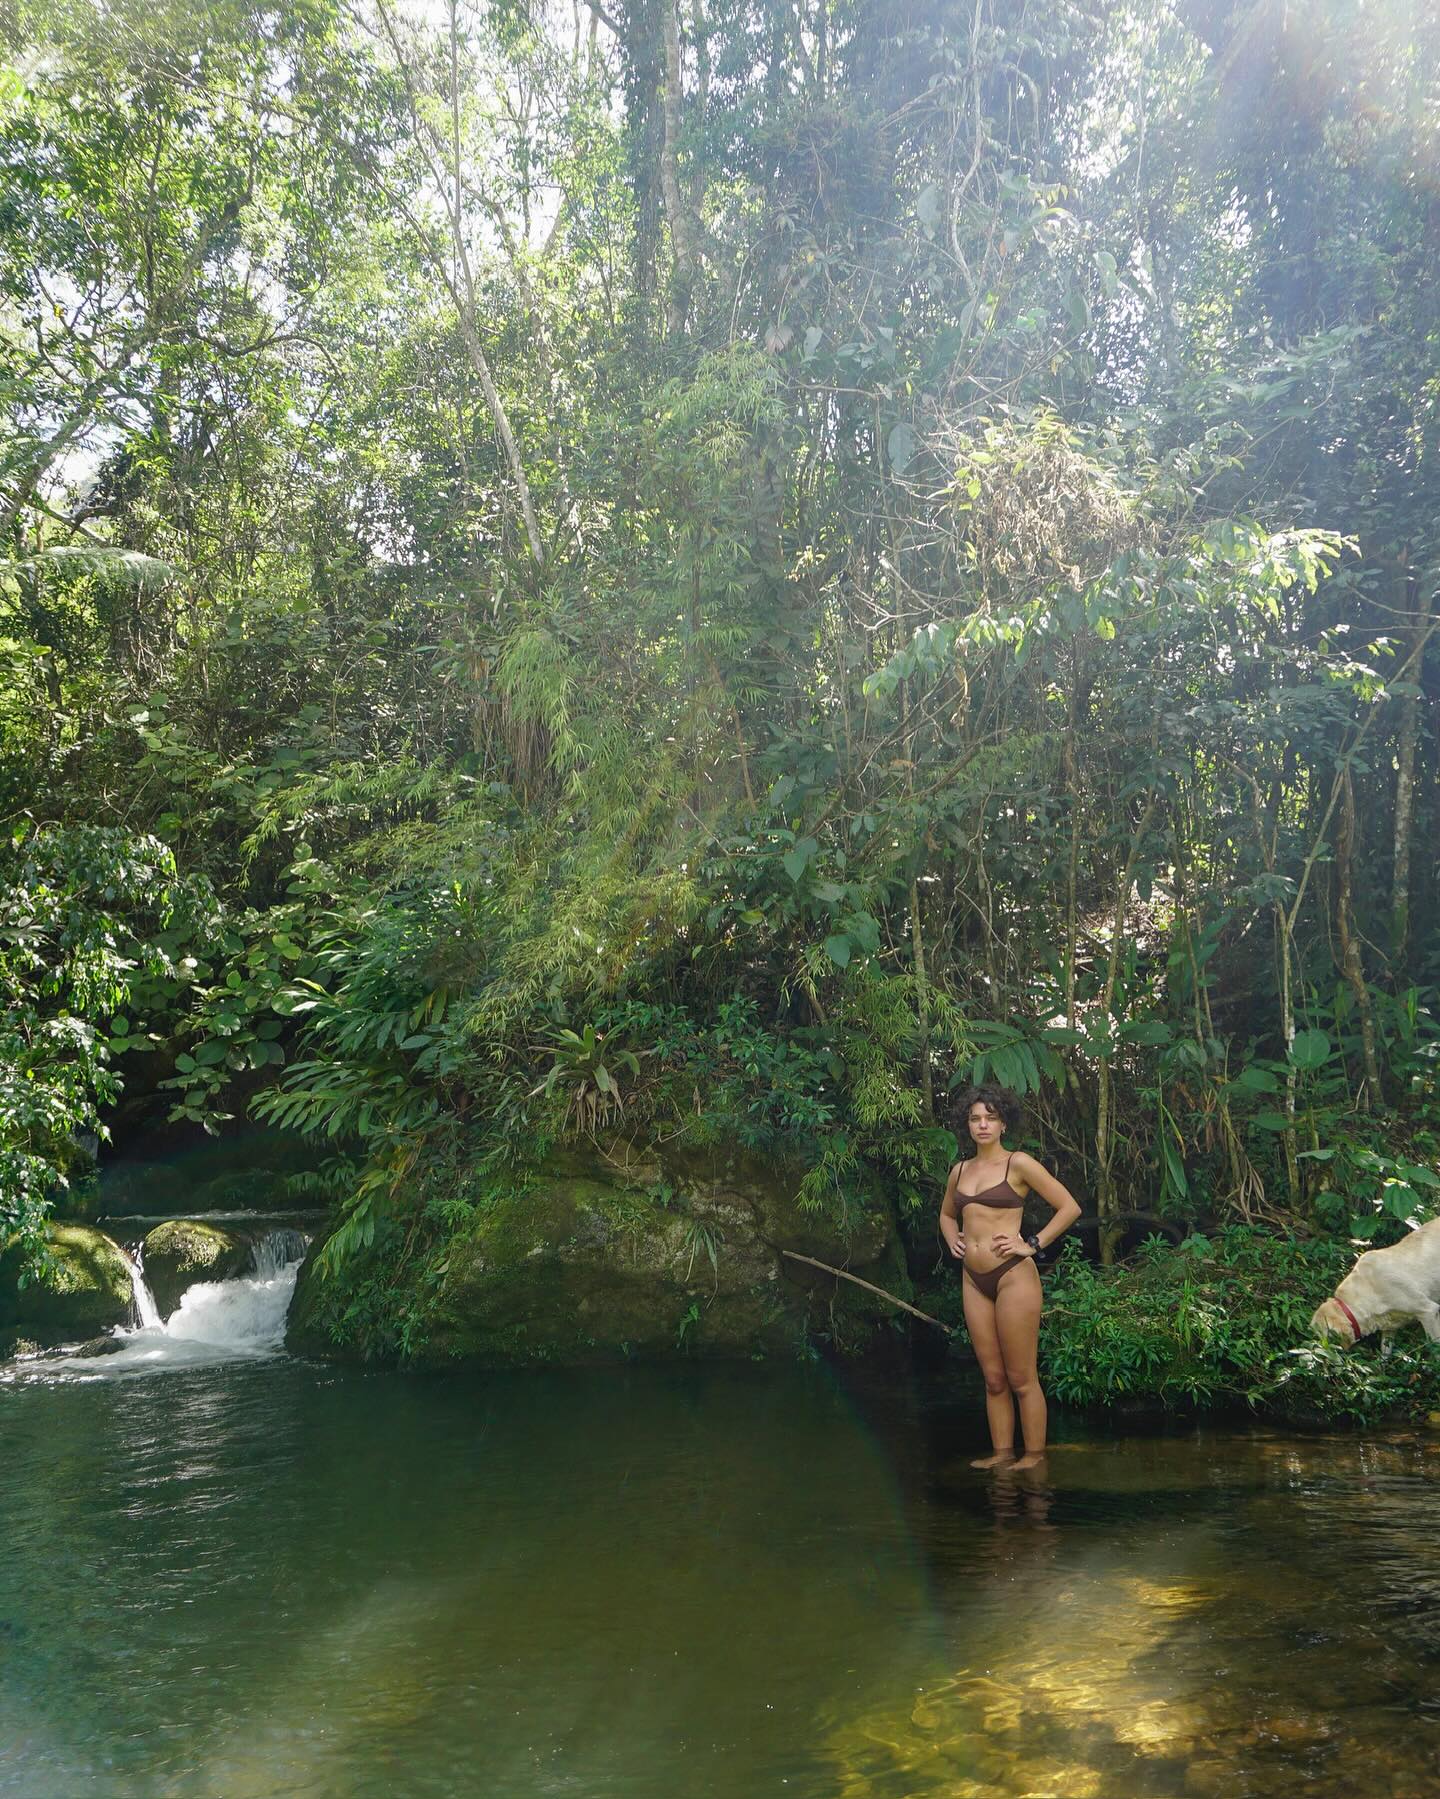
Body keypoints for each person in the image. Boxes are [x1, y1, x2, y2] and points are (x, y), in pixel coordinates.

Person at [940, 1083, 1081, 1471]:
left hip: (1013, 1276)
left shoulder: (1018, 1163)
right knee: (993, 1379)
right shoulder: (960, 1171)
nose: (983, 1125)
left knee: (1021, 1377)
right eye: (975, 1118)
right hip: (973, 1279)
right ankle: (1002, 1455)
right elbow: (947, 1214)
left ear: (1003, 1123)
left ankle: (1034, 1457)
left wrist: (1031, 1243)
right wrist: (954, 1240)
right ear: (966, 1125)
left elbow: (1069, 1207)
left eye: (991, 1118)